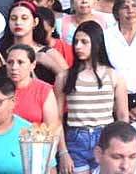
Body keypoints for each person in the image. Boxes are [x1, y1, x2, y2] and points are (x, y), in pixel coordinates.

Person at [54, 20, 130, 174]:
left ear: (96, 44)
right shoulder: (64, 77)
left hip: (105, 137)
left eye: (84, 42)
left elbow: (122, 115)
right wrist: (63, 152)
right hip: (75, 138)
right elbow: (56, 118)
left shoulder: (114, 76)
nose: (78, 47)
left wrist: (122, 147)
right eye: (76, 42)